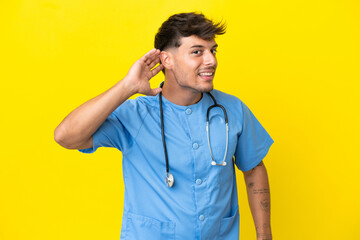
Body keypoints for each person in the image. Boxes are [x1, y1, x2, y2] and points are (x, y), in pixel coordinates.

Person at [54, 12, 274, 240]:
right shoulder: (135, 115)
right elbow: (65, 136)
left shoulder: (232, 109)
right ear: (167, 60)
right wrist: (127, 86)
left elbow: (254, 168)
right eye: (197, 52)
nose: (211, 60)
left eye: (213, 50)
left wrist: (264, 234)